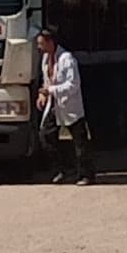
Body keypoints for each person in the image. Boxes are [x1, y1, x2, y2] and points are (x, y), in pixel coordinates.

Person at [36, 28, 96, 185]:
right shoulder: (45, 59)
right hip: (54, 105)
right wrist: (43, 94)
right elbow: (47, 80)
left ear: (50, 42)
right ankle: (62, 170)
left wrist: (51, 90)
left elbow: (73, 84)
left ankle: (86, 174)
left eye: (41, 43)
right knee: (45, 136)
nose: (39, 47)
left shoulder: (67, 59)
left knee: (79, 142)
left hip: (70, 106)